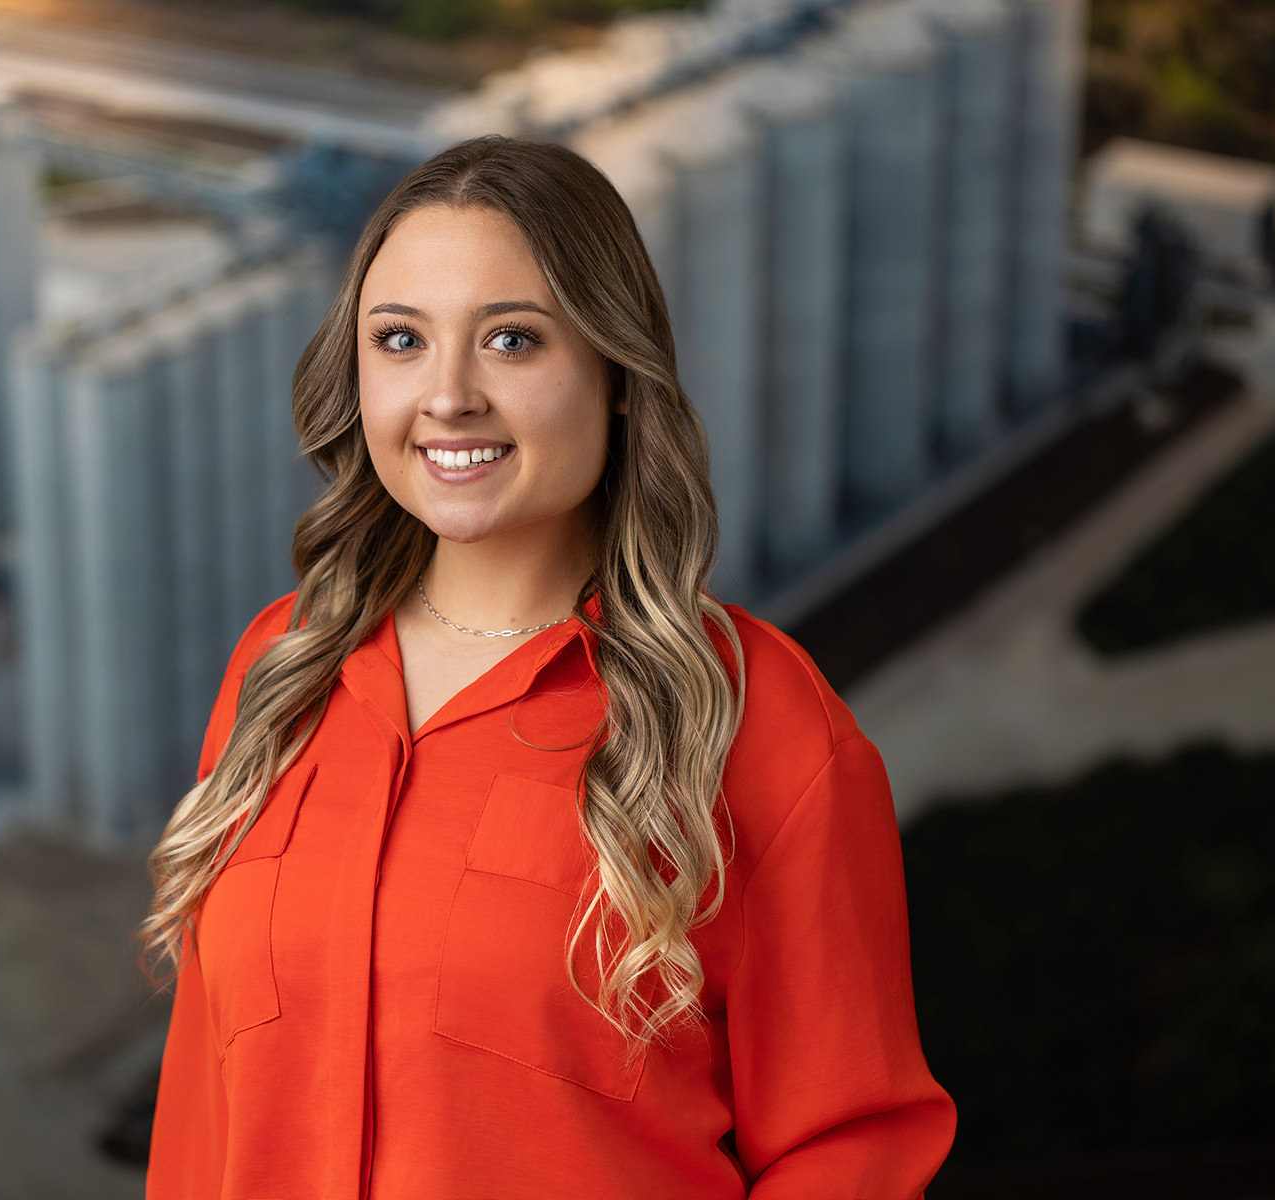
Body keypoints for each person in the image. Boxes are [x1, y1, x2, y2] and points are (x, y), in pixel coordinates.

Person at [138, 134, 956, 1199]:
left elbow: (854, 1150)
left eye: (513, 341)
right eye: (400, 340)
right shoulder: (281, 668)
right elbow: (204, 1105)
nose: (447, 397)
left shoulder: (759, 725)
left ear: (617, 375)